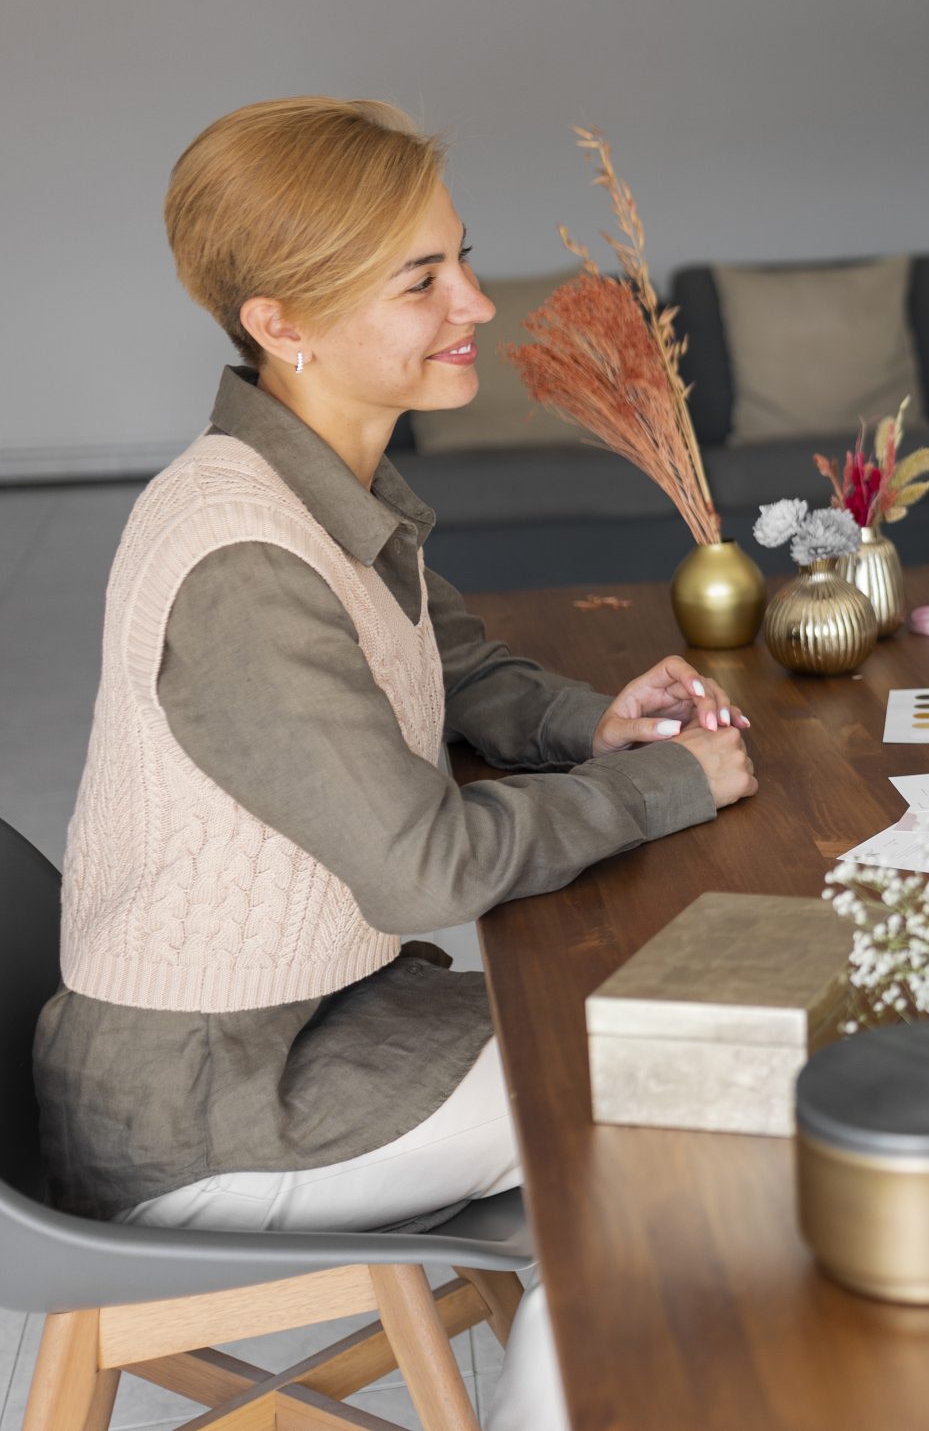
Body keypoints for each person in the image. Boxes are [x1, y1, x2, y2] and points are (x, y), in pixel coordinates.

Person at [34, 97, 759, 1429]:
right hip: (219, 1108)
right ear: (282, 322)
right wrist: (667, 785)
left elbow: (452, 664)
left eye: (458, 258)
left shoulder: (318, 481)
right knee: (712, 1092)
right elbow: (426, 866)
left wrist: (594, 725)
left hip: (315, 1030)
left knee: (695, 1049)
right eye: (420, 280)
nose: (476, 301)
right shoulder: (244, 558)